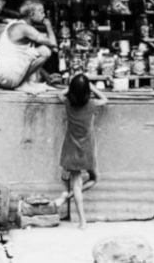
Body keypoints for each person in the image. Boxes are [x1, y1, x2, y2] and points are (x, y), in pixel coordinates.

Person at [53, 73, 108, 229]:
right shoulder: (91, 104)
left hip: (71, 148)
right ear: (86, 92)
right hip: (87, 148)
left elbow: (59, 94)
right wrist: (93, 87)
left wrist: (69, 88)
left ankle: (79, 217)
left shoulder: (67, 103)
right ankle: (71, 206)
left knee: (76, 184)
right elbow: (105, 99)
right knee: (94, 179)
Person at [0, 0, 58, 94]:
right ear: (32, 14)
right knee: (45, 50)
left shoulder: (16, 24)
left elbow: (30, 60)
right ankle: (22, 84)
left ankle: (23, 83)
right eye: (41, 12)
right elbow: (53, 44)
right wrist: (48, 25)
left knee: (36, 53)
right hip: (9, 77)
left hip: (5, 78)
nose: (44, 15)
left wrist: (46, 75)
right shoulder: (24, 28)